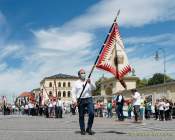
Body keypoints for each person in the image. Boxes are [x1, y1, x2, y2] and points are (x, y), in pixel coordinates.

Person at [72, 69, 96, 135]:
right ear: (79, 75)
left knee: (92, 113)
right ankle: (82, 129)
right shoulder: (76, 83)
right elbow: (73, 92)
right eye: (82, 73)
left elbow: (94, 88)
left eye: (84, 73)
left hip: (89, 98)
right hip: (80, 99)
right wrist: (74, 101)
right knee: (81, 115)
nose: (84, 74)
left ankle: (89, 128)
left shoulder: (89, 80)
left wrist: (90, 82)